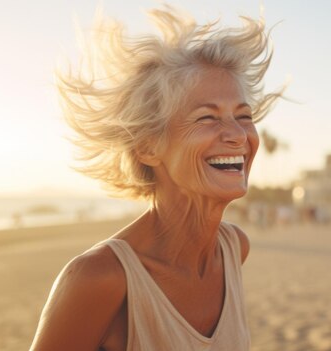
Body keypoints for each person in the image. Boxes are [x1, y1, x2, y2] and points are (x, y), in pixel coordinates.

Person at [30, 6, 282, 351]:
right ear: (148, 147)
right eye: (207, 118)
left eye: (243, 115)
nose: (238, 135)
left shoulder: (235, 248)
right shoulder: (99, 278)